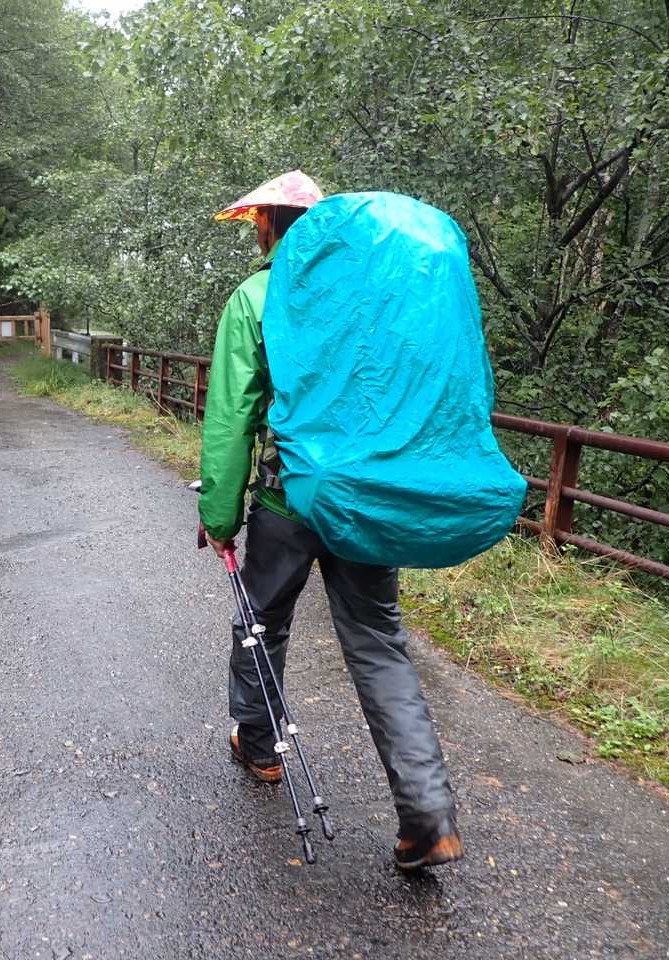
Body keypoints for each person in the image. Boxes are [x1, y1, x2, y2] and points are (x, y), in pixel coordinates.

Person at [196, 170, 464, 870]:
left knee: (261, 619)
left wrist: (219, 514)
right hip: (368, 501)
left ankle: (260, 747)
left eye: (258, 223)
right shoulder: (374, 295)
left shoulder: (257, 297)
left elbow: (231, 417)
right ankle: (428, 818)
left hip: (288, 503)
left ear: (267, 225)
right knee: (379, 645)